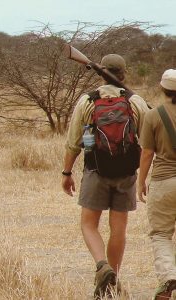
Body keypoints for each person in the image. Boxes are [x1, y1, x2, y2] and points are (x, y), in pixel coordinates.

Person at [61, 54, 150, 298]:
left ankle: (102, 266)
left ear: (101, 72)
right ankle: (112, 280)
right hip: (127, 174)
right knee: (118, 229)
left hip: (95, 170)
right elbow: (148, 140)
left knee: (89, 224)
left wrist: (67, 172)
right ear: (124, 73)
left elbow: (73, 143)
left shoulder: (88, 101)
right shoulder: (135, 101)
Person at [138, 69, 176, 300]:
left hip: (163, 181)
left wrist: (141, 181)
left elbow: (147, 152)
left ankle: (168, 277)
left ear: (162, 89)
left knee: (161, 234)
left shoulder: (153, 115)